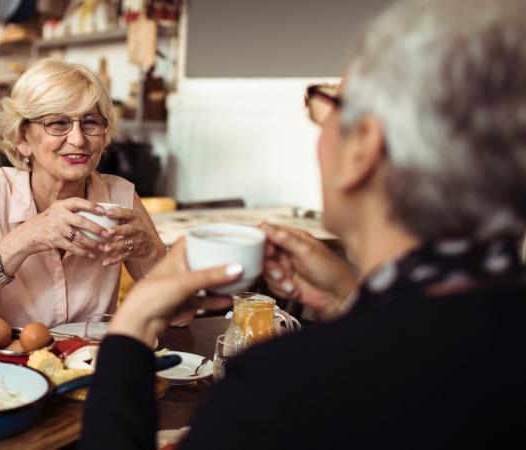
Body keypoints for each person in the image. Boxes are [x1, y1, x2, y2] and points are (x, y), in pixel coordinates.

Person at [80, 0, 526, 448]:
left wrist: (131, 331)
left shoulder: (280, 390)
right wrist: (353, 303)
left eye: (329, 106)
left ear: (362, 148)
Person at [0, 60, 167, 347]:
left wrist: (150, 251)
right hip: (7, 374)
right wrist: (24, 239)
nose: (77, 139)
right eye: (57, 123)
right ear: (23, 138)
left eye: (90, 122)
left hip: (89, 371)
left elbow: (180, 316)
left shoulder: (121, 197)